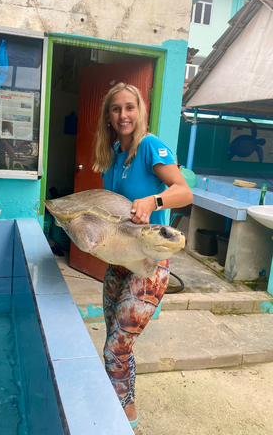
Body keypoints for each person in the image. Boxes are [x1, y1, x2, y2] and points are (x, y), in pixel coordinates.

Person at [93, 82, 193, 429]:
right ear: (108, 116)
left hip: (148, 266)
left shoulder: (150, 147)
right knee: (116, 346)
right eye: (116, 109)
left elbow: (184, 192)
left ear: (140, 111)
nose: (123, 115)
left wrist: (155, 201)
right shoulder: (111, 157)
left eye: (129, 107)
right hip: (118, 262)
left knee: (114, 351)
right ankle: (123, 403)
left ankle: (123, 419)